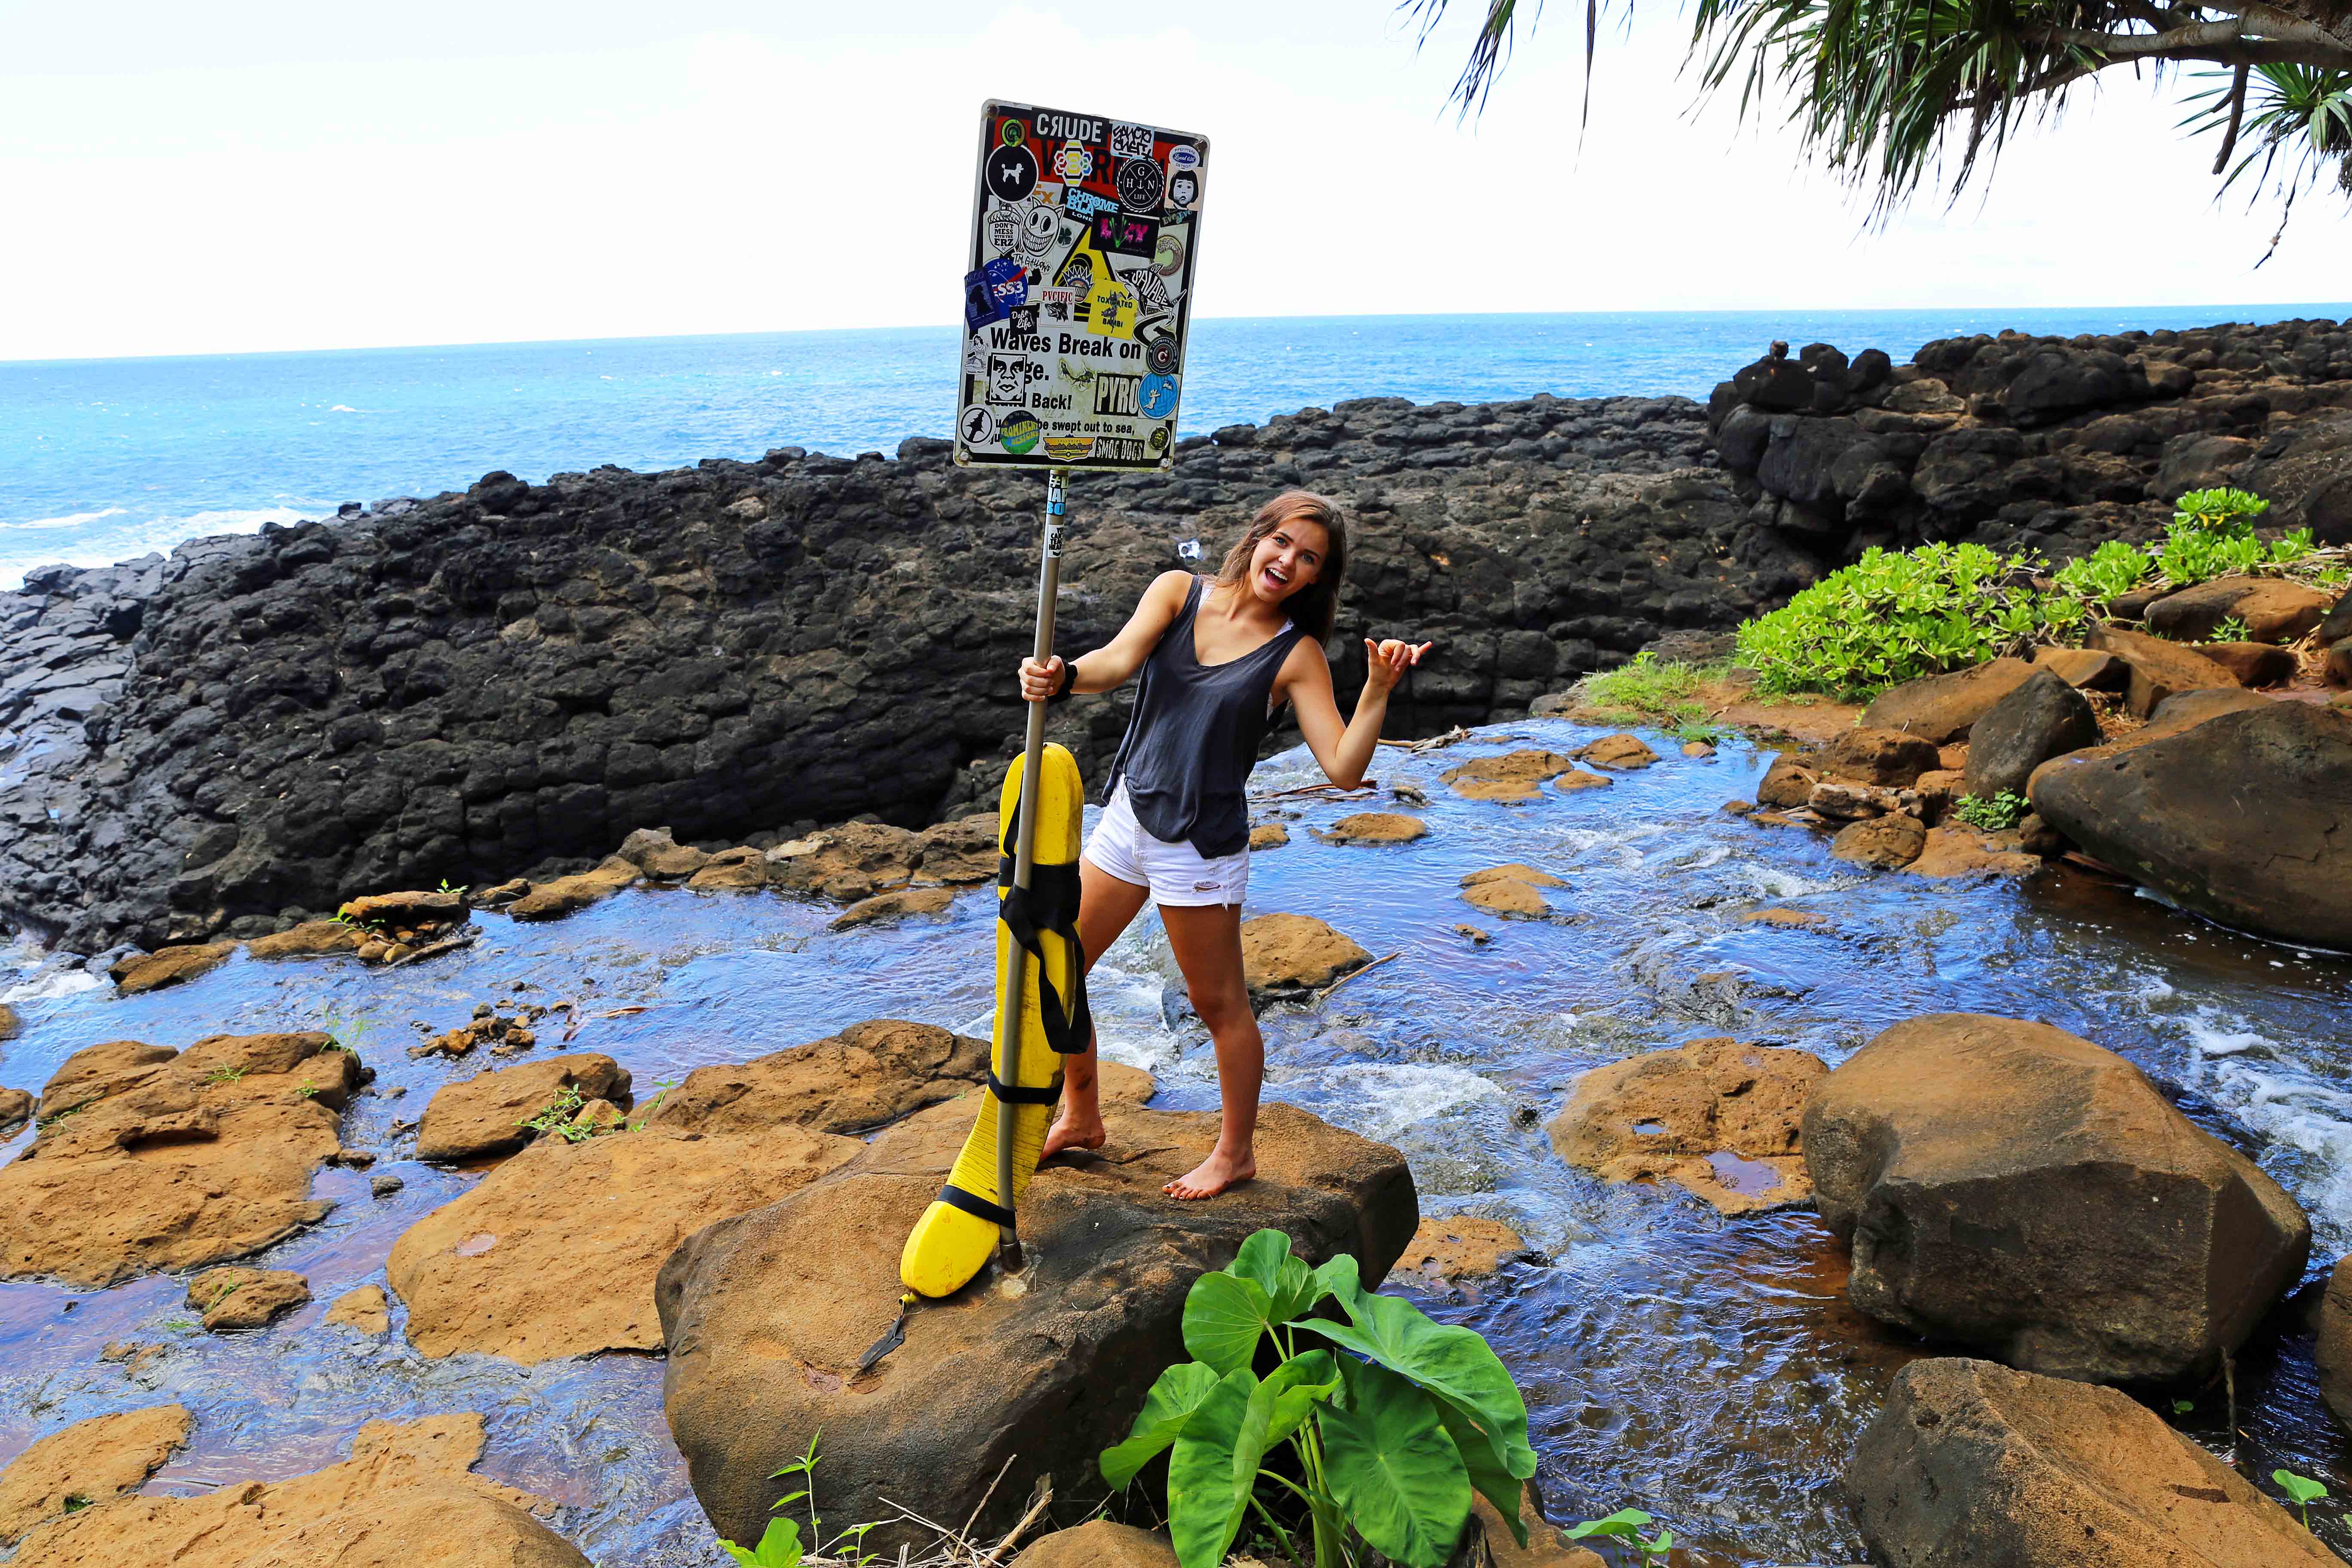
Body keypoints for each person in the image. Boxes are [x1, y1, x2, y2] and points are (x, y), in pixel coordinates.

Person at [1015, 490, 1431, 1199]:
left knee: (1220, 1007)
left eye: (1309, 560)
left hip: (1200, 847)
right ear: (1258, 536)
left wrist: (1378, 691)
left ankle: (1236, 1153)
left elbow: (1343, 768)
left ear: (1313, 581)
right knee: (1058, 963)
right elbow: (1116, 662)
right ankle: (1082, 1115)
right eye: (1283, 544)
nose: (1288, 562)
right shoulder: (1177, 592)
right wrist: (1064, 676)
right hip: (1128, 815)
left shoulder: (1296, 656)